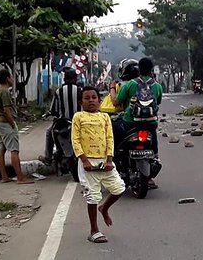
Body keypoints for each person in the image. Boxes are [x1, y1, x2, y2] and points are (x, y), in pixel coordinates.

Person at [72, 86, 124, 244]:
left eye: (94, 97)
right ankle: (94, 230)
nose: (91, 101)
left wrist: (109, 159)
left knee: (119, 189)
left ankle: (105, 208)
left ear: (100, 101)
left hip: (104, 161)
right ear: (81, 102)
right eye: (87, 98)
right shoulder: (78, 117)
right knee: (92, 197)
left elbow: (110, 138)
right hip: (87, 163)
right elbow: (75, 140)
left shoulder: (105, 117)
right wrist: (84, 160)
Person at [110, 57, 163, 189]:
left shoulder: (130, 84)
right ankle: (155, 156)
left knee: (111, 127)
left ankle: (112, 158)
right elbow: (158, 102)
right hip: (150, 124)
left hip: (130, 123)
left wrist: (112, 88)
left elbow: (116, 102)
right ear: (151, 70)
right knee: (152, 135)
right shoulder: (157, 86)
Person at [0, 66, 33, 184]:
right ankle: (20, 178)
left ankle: (4, 176)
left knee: (1, 149)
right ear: (7, 79)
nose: (13, 80)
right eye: (12, 77)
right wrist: (12, 123)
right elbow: (6, 110)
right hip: (5, 123)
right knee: (14, 150)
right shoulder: (5, 92)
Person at [38, 67, 81, 165]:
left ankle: (48, 158)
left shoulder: (59, 91)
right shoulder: (80, 90)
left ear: (65, 79)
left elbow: (54, 110)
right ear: (75, 79)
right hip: (78, 122)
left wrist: (51, 113)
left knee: (49, 133)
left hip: (62, 122)